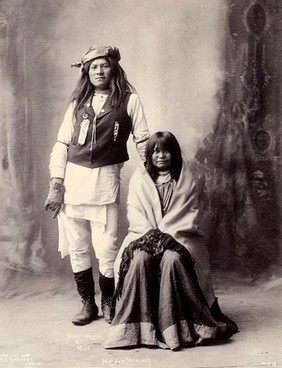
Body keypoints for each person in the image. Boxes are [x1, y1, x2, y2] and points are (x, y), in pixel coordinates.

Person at [44, 45, 150, 326]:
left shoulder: (129, 101)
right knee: (78, 246)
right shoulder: (78, 104)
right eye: (93, 67)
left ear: (113, 68)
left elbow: (142, 141)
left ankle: (108, 300)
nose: (99, 71)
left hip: (104, 184)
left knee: (106, 247)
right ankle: (87, 303)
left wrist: (155, 174)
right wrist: (56, 184)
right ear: (86, 73)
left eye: (103, 66)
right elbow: (62, 144)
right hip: (73, 183)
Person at [105, 131, 238, 350]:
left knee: (173, 260)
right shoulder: (140, 178)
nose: (161, 156)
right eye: (156, 151)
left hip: (180, 236)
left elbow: (189, 214)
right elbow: (135, 211)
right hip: (144, 234)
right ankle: (135, 330)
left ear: (174, 154)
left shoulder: (185, 179)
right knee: (138, 259)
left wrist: (166, 237)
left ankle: (176, 327)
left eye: (167, 151)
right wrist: (151, 235)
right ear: (149, 154)